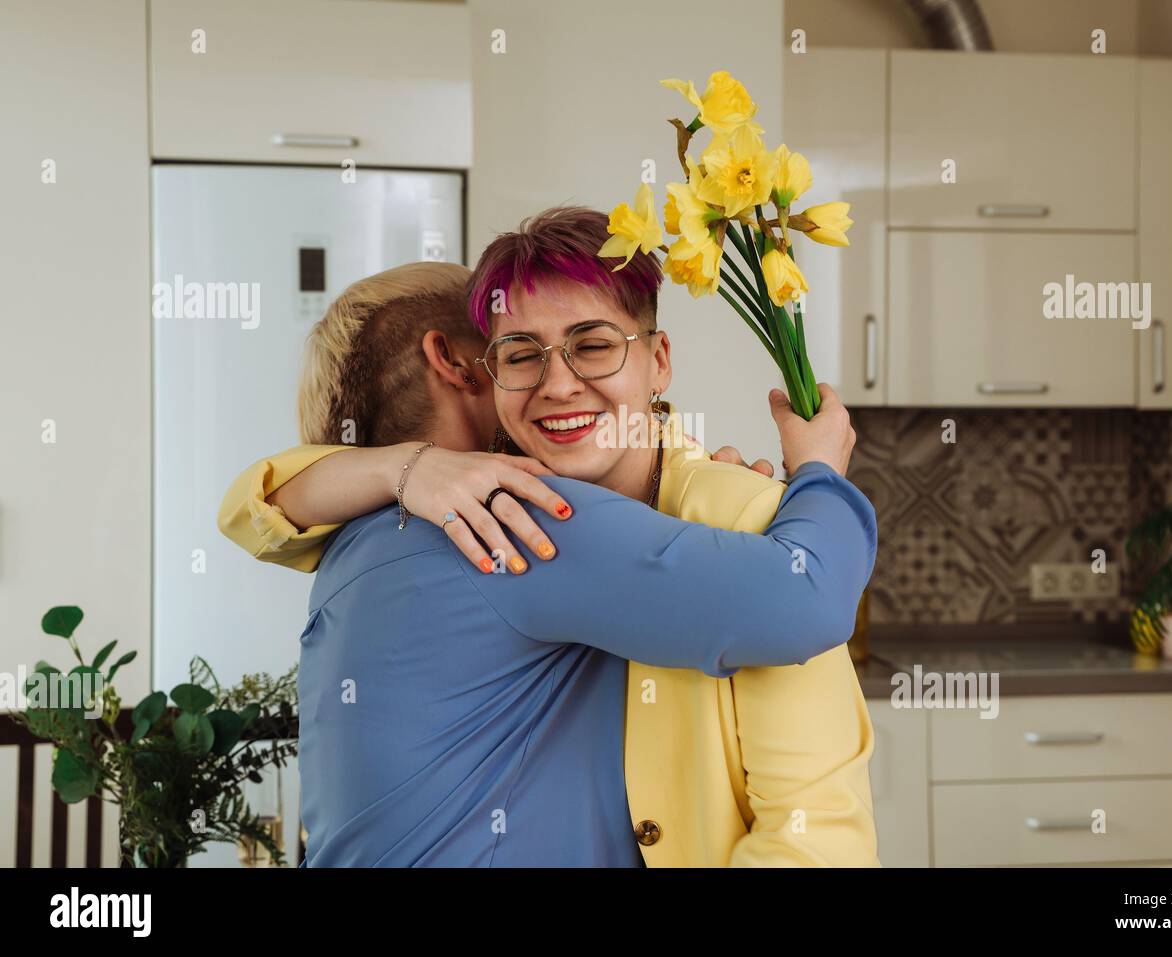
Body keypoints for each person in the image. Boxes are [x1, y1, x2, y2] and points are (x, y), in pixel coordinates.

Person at [219, 212, 878, 865]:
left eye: (592, 345)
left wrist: (398, 467)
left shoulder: (347, 536)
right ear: (470, 366)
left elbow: (815, 835)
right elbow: (806, 594)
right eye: (518, 354)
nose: (557, 384)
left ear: (659, 360)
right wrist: (821, 471)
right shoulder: (511, 518)